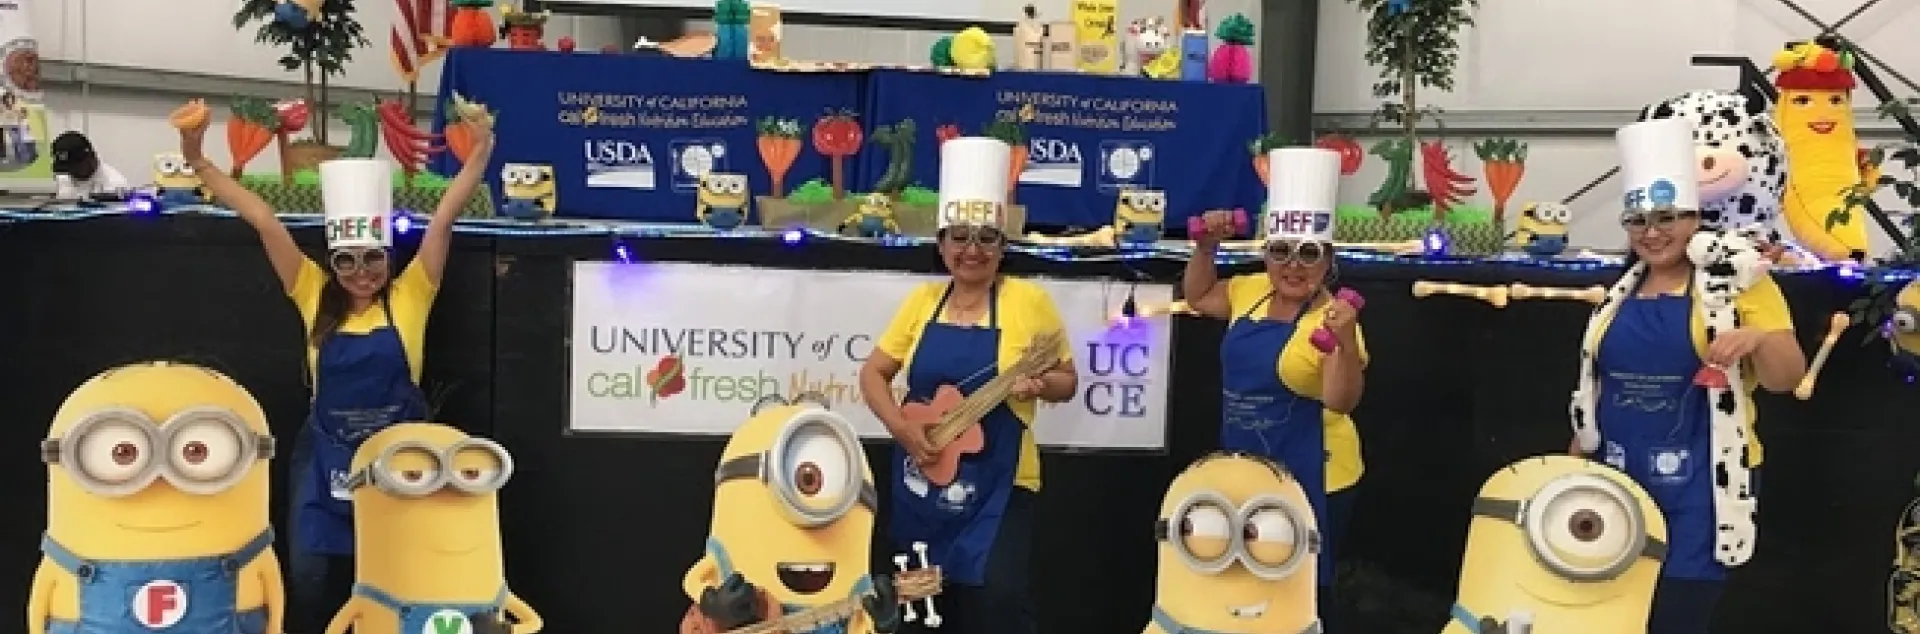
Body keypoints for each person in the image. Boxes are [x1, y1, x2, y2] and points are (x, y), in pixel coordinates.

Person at [177, 102, 496, 634]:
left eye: (372, 258)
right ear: (332, 261)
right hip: (325, 450)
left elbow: (445, 216)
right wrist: (198, 160)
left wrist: (482, 147)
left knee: (401, 565)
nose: (361, 272)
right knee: (309, 571)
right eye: (347, 260)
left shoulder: (412, 295)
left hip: (399, 452)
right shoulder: (310, 291)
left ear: (388, 258)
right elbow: (263, 220)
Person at [1566, 116, 1807, 634]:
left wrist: (1758, 338)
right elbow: (1596, 392)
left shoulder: (1739, 283)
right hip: (1616, 480)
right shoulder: (1619, 293)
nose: (1652, 233)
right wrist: (1573, 467)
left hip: (1702, 489)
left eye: (1667, 218)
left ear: (1696, 217)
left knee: (1676, 617)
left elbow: (1787, 378)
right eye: (1638, 221)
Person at [859, 137, 1076, 634]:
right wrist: (902, 429)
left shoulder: (1029, 302)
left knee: (997, 600)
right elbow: (873, 375)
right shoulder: (921, 302)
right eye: (959, 237)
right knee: (920, 606)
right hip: (923, 478)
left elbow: (1067, 381)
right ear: (941, 245)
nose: (972, 250)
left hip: (1004, 483)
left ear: (1003, 246)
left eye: (986, 238)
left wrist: (1041, 385)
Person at [1180, 147, 1367, 629]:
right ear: (1266, 253)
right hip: (1247, 467)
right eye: (1281, 250)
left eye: (1309, 253)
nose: (1294, 265)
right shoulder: (1248, 291)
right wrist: (1206, 248)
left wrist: (1345, 343)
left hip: (1318, 475)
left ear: (1328, 259)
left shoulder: (1334, 320)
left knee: (1302, 596)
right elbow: (1197, 296)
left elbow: (1341, 401)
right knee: (1246, 587)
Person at [51, 131, 128, 199]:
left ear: (90, 158)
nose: (70, 172)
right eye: (67, 168)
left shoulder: (115, 185)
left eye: (74, 167)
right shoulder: (63, 178)